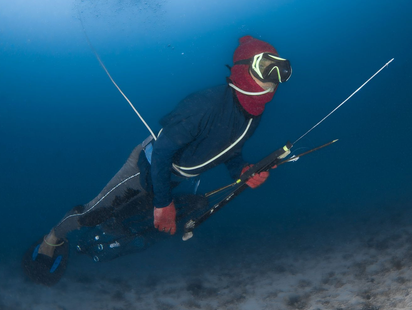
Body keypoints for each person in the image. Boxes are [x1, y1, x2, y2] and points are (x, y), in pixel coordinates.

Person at [23, 35, 292, 285]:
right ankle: (52, 237)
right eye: (266, 67)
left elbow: (231, 150)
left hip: (171, 179)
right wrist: (163, 203)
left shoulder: (252, 114)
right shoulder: (205, 104)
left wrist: (242, 170)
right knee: (93, 213)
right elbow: (162, 152)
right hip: (145, 169)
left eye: (281, 69)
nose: (275, 78)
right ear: (243, 69)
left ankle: (114, 225)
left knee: (135, 217)